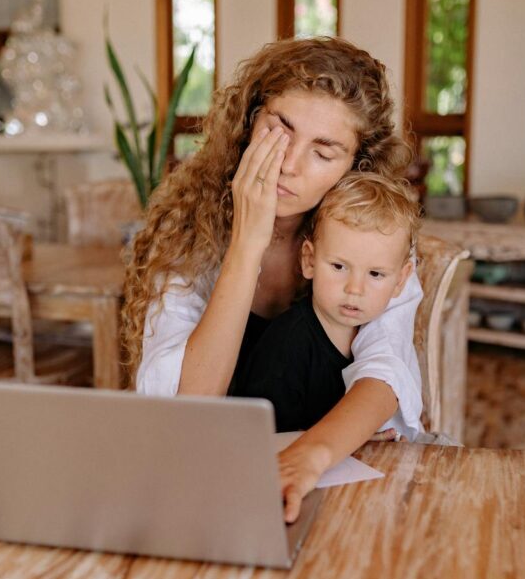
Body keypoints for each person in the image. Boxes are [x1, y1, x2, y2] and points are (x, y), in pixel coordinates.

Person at [120, 37, 423, 522]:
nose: (288, 164)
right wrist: (247, 240)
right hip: (208, 476)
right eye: (278, 132)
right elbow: (183, 406)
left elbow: (385, 373)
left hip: (329, 469)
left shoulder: (370, 242)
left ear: (354, 167)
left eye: (324, 153)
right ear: (248, 122)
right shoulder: (184, 231)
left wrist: (311, 456)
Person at [229, 172, 420, 435]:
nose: (355, 288)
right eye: (339, 266)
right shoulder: (286, 347)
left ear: (400, 280)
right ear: (309, 261)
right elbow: (261, 442)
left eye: (375, 274)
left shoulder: (377, 336)